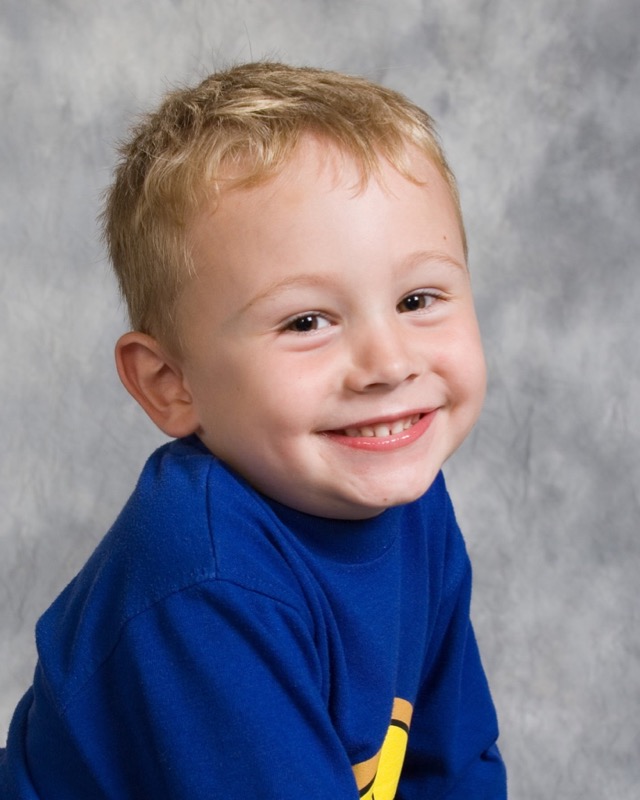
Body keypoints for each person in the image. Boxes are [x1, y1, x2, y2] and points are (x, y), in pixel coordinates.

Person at [0, 62, 507, 798]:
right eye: (307, 321)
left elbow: (452, 765)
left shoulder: (413, 500)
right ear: (170, 383)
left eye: (417, 299)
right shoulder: (205, 577)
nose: (389, 363)